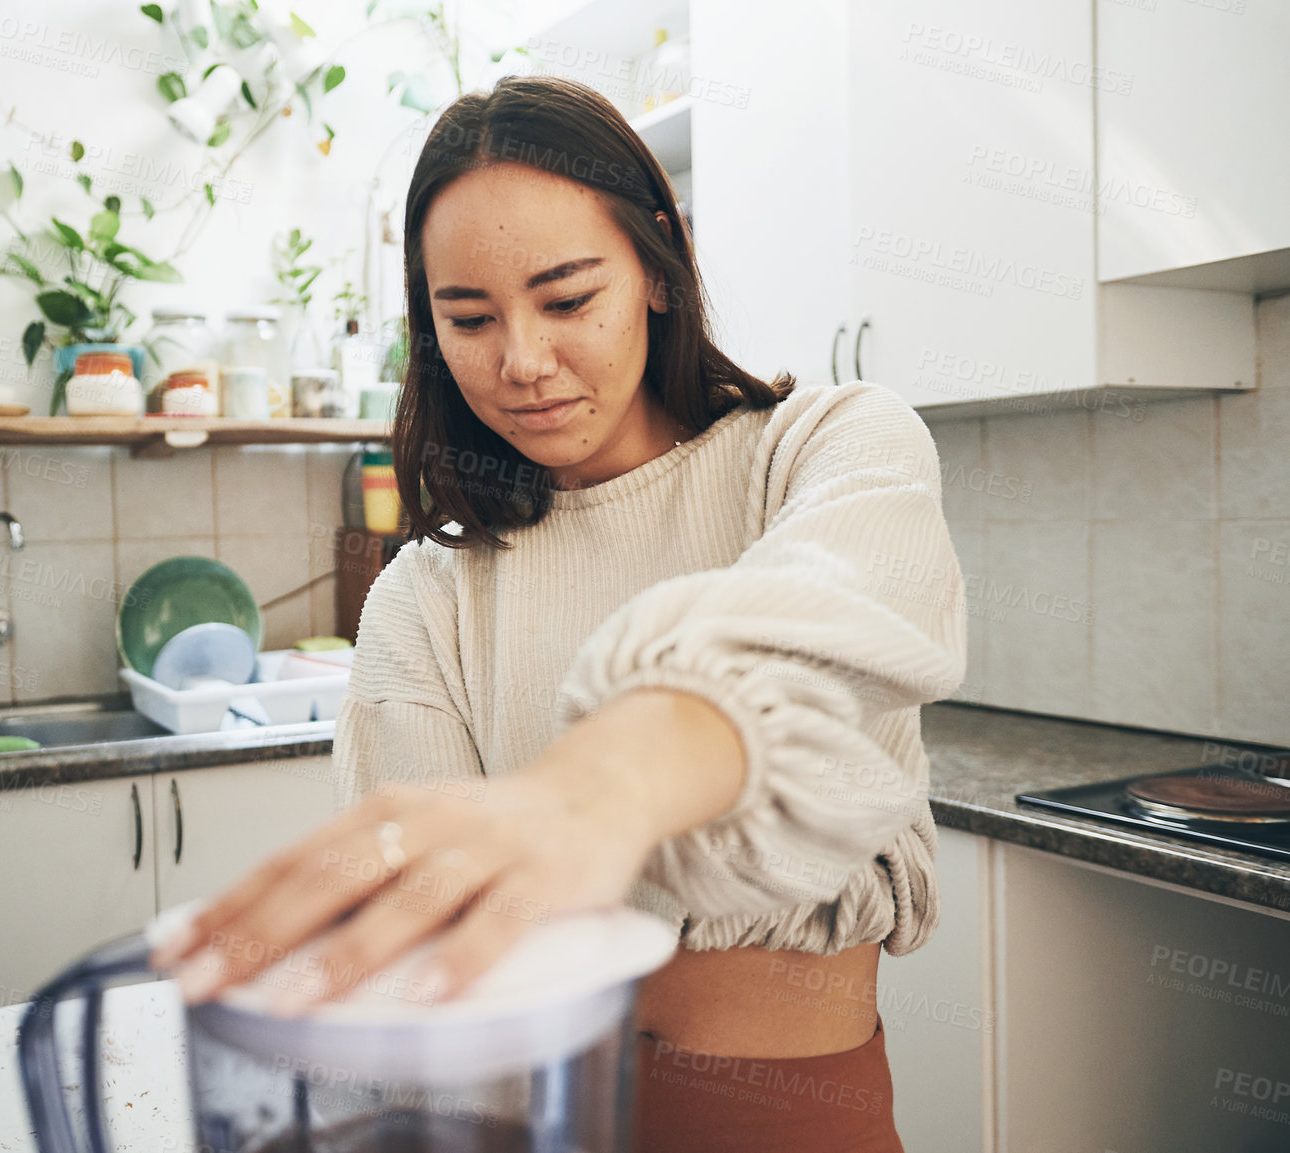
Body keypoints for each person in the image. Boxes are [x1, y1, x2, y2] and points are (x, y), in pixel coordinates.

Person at [151, 74, 966, 1151]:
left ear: (657, 270)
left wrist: (595, 794)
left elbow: (826, 624)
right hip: (519, 1119)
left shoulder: (824, 450)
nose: (522, 363)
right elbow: (440, 954)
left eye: (568, 299)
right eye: (469, 319)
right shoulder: (427, 595)